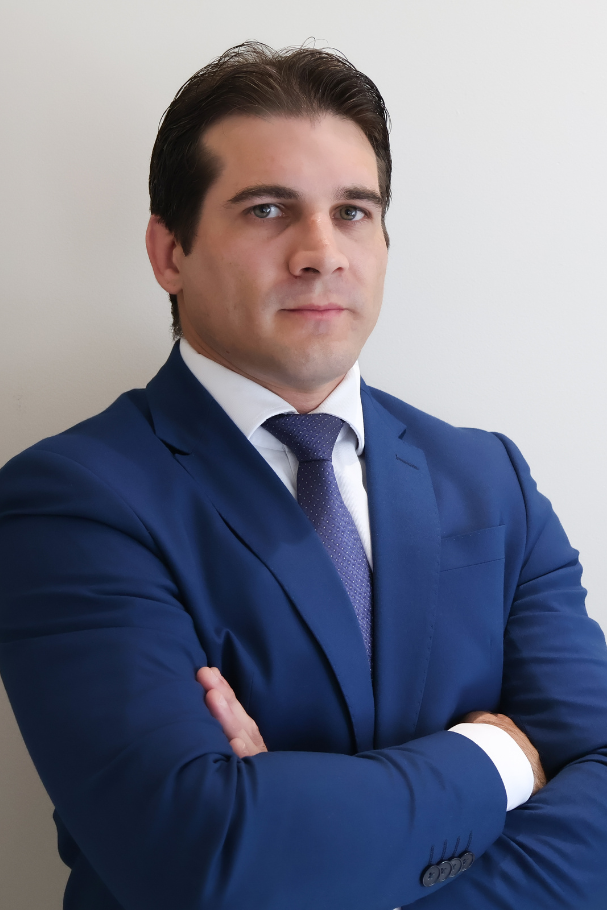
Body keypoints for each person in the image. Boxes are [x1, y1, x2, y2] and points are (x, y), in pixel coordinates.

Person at [0, 41, 606, 910]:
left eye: (353, 211)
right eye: (267, 209)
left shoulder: (489, 479)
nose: (321, 252)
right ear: (169, 253)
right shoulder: (72, 501)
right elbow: (200, 855)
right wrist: (502, 758)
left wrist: (294, 830)